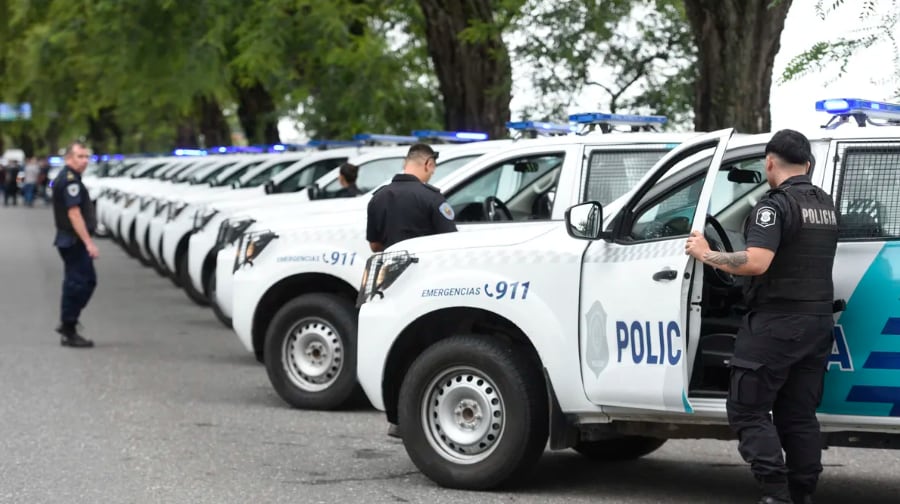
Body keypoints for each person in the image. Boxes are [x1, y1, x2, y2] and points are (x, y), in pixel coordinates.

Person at [685, 129, 838, 504]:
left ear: (770, 161)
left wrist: (707, 254)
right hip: (817, 323)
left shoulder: (773, 206)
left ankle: (775, 493)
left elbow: (755, 262)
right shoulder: (825, 204)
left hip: (776, 324)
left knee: (746, 409)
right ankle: (802, 493)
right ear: (808, 163)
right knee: (798, 414)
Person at [366, 143, 457, 252]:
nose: (432, 173)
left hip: (389, 266)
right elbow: (450, 239)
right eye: (433, 170)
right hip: (425, 265)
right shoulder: (433, 197)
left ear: (405, 164)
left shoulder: (378, 197)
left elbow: (374, 245)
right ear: (429, 164)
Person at [52, 141, 99, 348]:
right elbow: (74, 213)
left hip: (71, 239)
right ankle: (68, 326)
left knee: (83, 281)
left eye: (86, 157)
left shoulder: (71, 178)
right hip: (73, 240)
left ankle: (68, 323)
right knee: (79, 283)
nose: (84, 161)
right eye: (80, 156)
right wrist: (88, 243)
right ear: (69, 158)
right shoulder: (70, 180)